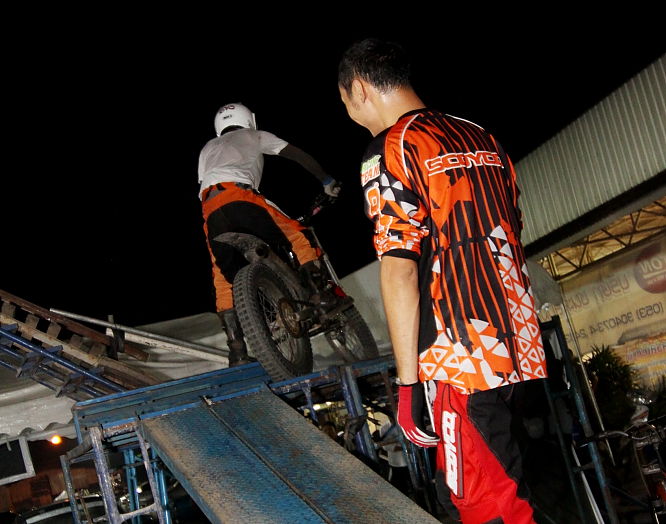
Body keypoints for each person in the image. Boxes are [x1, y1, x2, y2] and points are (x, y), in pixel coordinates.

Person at [338, 39, 547, 523]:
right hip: (518, 346)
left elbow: (400, 267)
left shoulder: (390, 148)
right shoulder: (482, 136)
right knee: (505, 488)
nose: (349, 110)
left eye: (345, 100)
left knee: (485, 507)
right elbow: (511, 227)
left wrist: (407, 385)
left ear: (360, 88)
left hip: (459, 356)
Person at [198, 103, 340, 366]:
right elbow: (297, 155)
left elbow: (208, 181)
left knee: (221, 276)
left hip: (211, 210)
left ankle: (237, 350)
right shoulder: (254, 135)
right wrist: (326, 180)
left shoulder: (207, 148)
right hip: (241, 196)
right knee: (296, 235)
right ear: (248, 119)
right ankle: (319, 296)